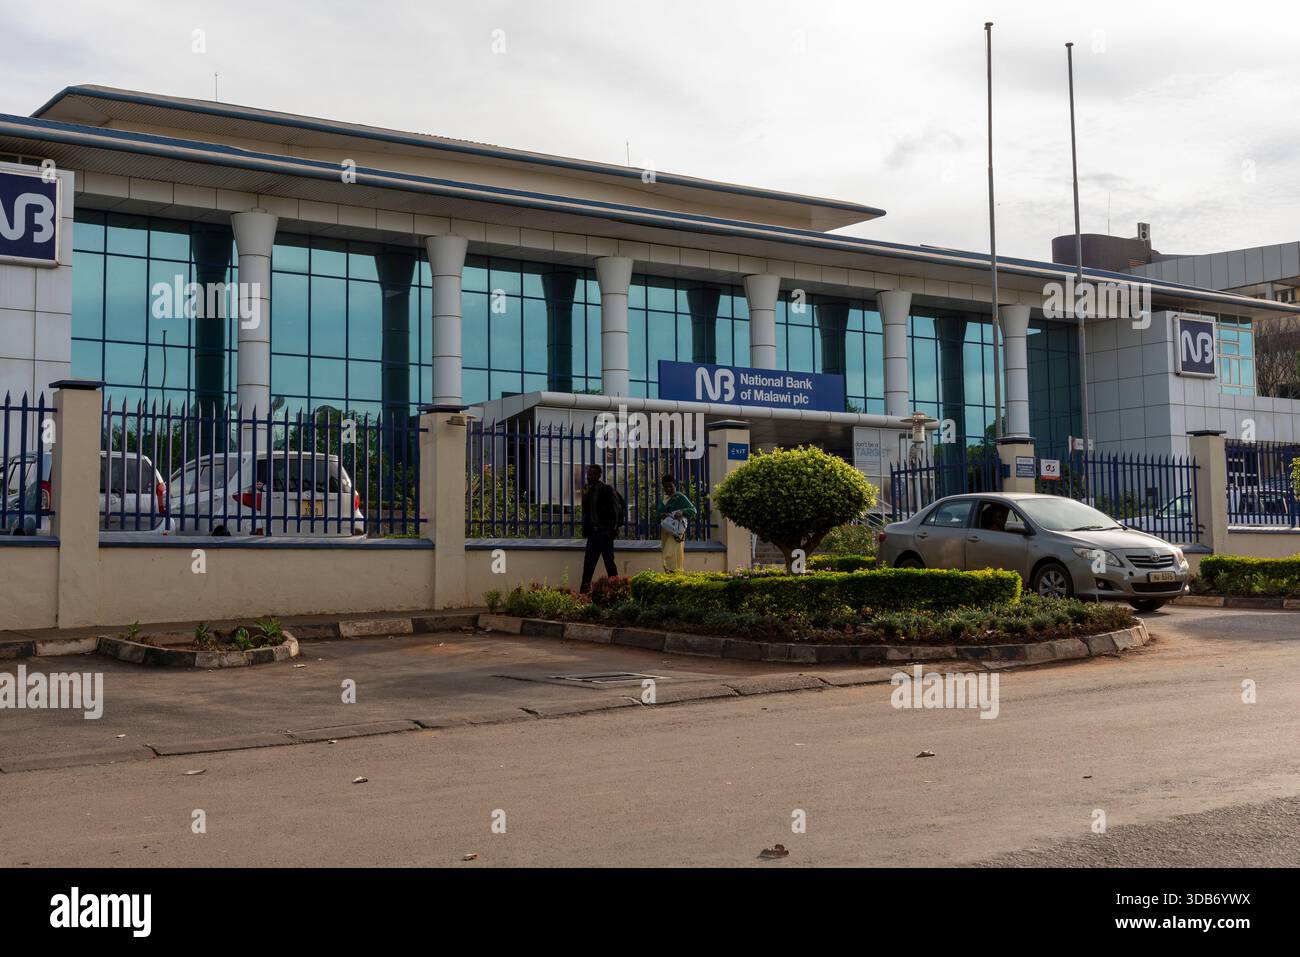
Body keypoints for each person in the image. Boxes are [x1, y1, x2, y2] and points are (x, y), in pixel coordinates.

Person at [579, 463, 620, 593]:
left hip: (605, 534)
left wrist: (611, 531)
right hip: (592, 535)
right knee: (588, 567)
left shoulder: (607, 489)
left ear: (598, 475)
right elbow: (586, 511)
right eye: (587, 474)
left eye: (591, 474)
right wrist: (584, 497)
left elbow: (615, 511)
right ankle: (583, 595)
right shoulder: (587, 489)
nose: (588, 476)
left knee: (610, 565)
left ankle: (616, 592)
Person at [655, 475, 697, 573]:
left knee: (670, 554)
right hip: (666, 531)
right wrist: (661, 515)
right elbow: (657, 515)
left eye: (670, 486)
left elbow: (693, 510)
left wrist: (682, 512)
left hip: (676, 532)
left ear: (675, 485)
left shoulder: (680, 497)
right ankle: (671, 576)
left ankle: (674, 575)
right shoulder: (663, 499)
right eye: (666, 487)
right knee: (666, 555)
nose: (668, 489)